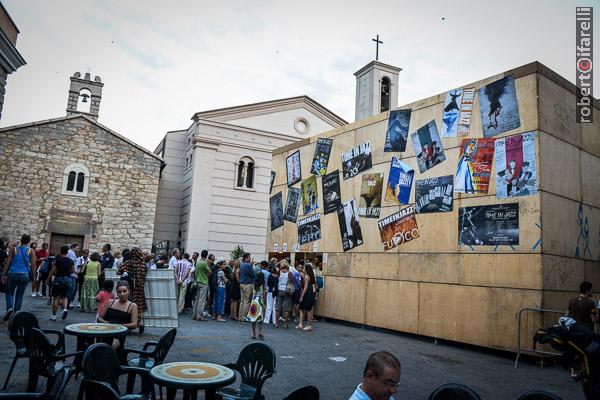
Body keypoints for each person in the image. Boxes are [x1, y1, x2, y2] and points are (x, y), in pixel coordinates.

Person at [2, 234, 36, 321]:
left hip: (13, 273)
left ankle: (9, 308)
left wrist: (4, 274)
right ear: (28, 242)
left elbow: (8, 262)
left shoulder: (14, 249)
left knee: (9, 293)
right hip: (25, 274)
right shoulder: (31, 251)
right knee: (20, 295)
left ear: (21, 240)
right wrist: (34, 277)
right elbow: (33, 265)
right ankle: (16, 314)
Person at [97, 280, 138, 350]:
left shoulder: (132, 306)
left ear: (129, 291)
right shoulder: (110, 302)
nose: (122, 294)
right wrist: (105, 322)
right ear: (117, 293)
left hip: (119, 334)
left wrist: (120, 325)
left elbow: (134, 324)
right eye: (120, 292)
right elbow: (99, 318)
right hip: (105, 330)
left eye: (124, 291)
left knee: (111, 346)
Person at [120, 248, 147, 333]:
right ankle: (139, 323)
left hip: (130, 289)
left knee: (129, 306)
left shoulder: (128, 263)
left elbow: (119, 271)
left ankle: (129, 325)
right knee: (138, 307)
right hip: (140, 289)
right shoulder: (143, 264)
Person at [47, 245, 74, 321]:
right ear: (67, 252)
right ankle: (65, 309)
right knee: (64, 296)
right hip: (67, 279)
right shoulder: (70, 261)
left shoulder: (58, 260)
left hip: (58, 278)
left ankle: (54, 316)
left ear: (60, 251)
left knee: (56, 297)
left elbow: (52, 270)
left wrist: (48, 279)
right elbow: (73, 270)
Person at [275, 260, 294, 329]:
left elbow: (276, 266)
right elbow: (292, 281)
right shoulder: (289, 273)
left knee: (278, 307)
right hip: (287, 290)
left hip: (279, 290)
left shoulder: (279, 272)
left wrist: (279, 262)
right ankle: (286, 324)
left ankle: (276, 323)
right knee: (286, 308)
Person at [297, 263, 316, 331]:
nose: (303, 269)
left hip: (307, 294)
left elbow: (305, 287)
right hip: (311, 293)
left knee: (303, 308)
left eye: (304, 268)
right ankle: (305, 324)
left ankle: (306, 325)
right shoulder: (312, 276)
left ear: (307, 269)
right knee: (309, 309)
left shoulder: (306, 276)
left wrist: (301, 296)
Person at [192, 250, 210, 321]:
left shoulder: (198, 262)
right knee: (201, 300)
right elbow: (209, 272)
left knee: (197, 299)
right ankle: (199, 316)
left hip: (198, 281)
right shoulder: (205, 263)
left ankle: (194, 315)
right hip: (203, 282)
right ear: (206, 256)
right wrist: (208, 265)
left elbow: (195, 272)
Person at [248, 271, 266, 340]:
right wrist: (264, 303)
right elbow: (264, 294)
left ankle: (253, 333)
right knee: (260, 318)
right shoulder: (263, 284)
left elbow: (250, 293)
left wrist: (249, 302)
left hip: (254, 301)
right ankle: (260, 331)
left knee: (253, 318)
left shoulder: (254, 284)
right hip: (260, 300)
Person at [239, 252, 255, 320]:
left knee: (242, 301)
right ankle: (244, 316)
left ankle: (240, 316)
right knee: (247, 301)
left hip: (242, 283)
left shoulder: (242, 264)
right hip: (247, 284)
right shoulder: (248, 265)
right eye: (249, 257)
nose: (250, 258)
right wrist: (251, 266)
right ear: (246, 258)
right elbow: (253, 274)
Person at [213, 257, 228, 322]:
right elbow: (225, 280)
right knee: (220, 302)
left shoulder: (217, 271)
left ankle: (214, 316)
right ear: (221, 265)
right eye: (224, 264)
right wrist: (227, 279)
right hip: (221, 287)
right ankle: (219, 317)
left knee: (216, 301)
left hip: (217, 287)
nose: (225, 265)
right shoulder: (221, 272)